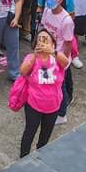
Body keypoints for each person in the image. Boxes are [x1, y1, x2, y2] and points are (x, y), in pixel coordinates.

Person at [17, 28, 69, 157]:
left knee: (45, 136)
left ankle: (41, 156)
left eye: (46, 40)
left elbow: (66, 63)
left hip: (53, 106)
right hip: (33, 105)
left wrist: (53, 52)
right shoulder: (31, 58)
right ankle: (23, 158)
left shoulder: (57, 58)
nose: (43, 43)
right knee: (29, 133)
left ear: (52, 44)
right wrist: (35, 55)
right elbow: (23, 71)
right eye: (40, 40)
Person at [39, 0, 75, 124]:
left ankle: (61, 114)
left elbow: (67, 43)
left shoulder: (66, 21)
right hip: (46, 55)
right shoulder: (47, 11)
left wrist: (63, 62)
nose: (49, 0)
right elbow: (44, 29)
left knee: (60, 87)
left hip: (58, 57)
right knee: (47, 83)